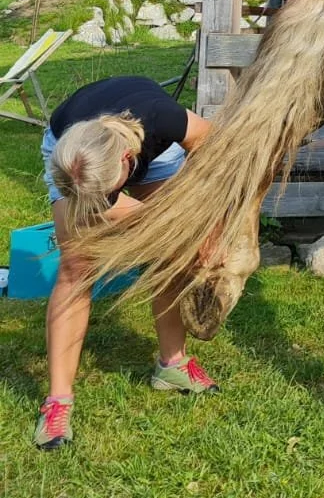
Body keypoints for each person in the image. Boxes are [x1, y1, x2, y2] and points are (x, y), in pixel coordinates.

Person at [33, 75, 218, 451]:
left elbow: (211, 148)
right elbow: (91, 194)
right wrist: (129, 212)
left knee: (169, 253)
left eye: (105, 194)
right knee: (76, 268)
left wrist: (207, 225)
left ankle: (173, 366)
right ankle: (58, 401)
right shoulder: (74, 163)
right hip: (79, 157)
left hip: (153, 147)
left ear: (126, 163)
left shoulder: (163, 118)